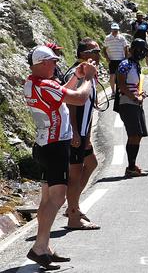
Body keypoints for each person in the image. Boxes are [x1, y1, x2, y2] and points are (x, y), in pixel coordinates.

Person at [24, 45, 96, 270]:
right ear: (42, 63)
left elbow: (60, 94)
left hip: (45, 144)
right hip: (55, 147)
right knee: (57, 199)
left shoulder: (32, 83)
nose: (56, 65)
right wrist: (89, 79)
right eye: (52, 62)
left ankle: (44, 247)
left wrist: (76, 76)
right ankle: (39, 247)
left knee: (46, 199)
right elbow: (79, 98)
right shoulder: (45, 85)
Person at [62, 39, 101, 231]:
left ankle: (73, 206)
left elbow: (90, 107)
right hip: (74, 132)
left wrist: (88, 136)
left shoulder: (90, 74)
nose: (99, 55)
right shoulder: (77, 74)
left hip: (84, 132)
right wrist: (76, 131)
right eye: (95, 51)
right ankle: (73, 215)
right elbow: (70, 104)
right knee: (75, 174)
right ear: (84, 54)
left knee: (92, 163)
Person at [116, 39, 148, 177]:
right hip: (128, 102)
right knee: (134, 134)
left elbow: (134, 85)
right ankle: (130, 167)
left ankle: (132, 165)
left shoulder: (135, 65)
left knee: (138, 135)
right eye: (139, 50)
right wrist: (134, 97)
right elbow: (122, 85)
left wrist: (140, 93)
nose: (141, 53)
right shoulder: (125, 64)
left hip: (135, 102)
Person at [103, 22, 128, 95]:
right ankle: (113, 92)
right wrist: (107, 57)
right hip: (112, 59)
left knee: (121, 75)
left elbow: (126, 48)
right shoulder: (107, 38)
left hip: (121, 59)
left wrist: (126, 58)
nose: (115, 31)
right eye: (114, 30)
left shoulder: (122, 38)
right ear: (111, 30)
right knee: (112, 75)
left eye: (116, 30)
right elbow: (104, 49)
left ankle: (122, 90)